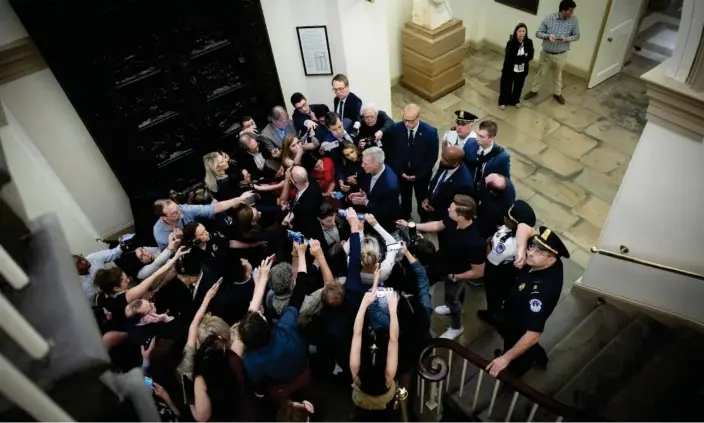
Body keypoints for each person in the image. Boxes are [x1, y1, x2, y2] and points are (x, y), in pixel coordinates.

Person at [396, 195, 486, 340]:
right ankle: (449, 305)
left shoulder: (475, 242)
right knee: (449, 294)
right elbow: (439, 225)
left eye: (451, 210)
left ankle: (457, 326)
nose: (447, 211)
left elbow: (478, 271)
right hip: (445, 264)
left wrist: (456, 277)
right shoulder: (452, 219)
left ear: (462, 217)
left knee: (454, 297)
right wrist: (412, 225)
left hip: (457, 273)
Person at [486, 226, 569, 378]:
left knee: (518, 349)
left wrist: (506, 358)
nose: (530, 252)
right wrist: (521, 251)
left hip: (521, 325)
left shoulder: (541, 292)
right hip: (513, 310)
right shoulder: (543, 261)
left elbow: (533, 334)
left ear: (551, 259)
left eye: (539, 252)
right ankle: (538, 355)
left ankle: (516, 370)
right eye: (532, 247)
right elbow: (524, 227)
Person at [238, 251, 310, 387]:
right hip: (303, 367)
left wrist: (258, 283)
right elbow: (300, 291)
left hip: (281, 384)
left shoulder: (250, 362)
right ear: (266, 322)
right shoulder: (286, 326)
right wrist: (301, 254)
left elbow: (259, 384)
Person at [186, 281, 255, 422]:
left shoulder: (197, 371)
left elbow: (202, 417)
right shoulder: (234, 354)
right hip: (242, 411)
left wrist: (190, 404)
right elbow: (252, 312)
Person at [478, 200, 536, 328]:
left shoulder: (509, 244)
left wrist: (489, 244)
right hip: (508, 268)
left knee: (493, 294)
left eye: (508, 217)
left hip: (498, 272)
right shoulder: (517, 231)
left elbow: (491, 258)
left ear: (515, 223)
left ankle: (492, 314)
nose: (504, 217)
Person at [349, 289, 399, 419]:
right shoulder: (388, 375)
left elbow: (357, 333)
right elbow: (394, 338)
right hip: (385, 399)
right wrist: (393, 310)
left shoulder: (356, 371)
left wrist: (363, 305)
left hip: (361, 399)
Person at [386, 103, 439, 220]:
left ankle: (424, 218)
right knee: (405, 196)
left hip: (422, 175)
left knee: (422, 197)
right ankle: (405, 214)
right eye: (404, 119)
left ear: (418, 117)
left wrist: (418, 175)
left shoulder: (430, 132)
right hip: (402, 173)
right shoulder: (395, 129)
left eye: (410, 121)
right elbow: (392, 152)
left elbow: (432, 157)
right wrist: (400, 172)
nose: (406, 123)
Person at [523, 0, 580, 105]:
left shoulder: (573, 20)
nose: (572, 13)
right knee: (541, 73)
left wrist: (566, 39)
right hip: (546, 53)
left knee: (558, 75)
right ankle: (533, 91)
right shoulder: (549, 18)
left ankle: (557, 94)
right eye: (570, 11)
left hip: (561, 53)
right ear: (563, 10)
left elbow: (577, 36)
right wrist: (548, 36)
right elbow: (538, 33)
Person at [152, 193, 253, 250]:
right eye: (174, 213)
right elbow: (169, 254)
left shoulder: (183, 209)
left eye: (178, 208)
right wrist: (178, 242)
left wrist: (237, 199)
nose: (179, 212)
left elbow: (212, 208)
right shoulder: (160, 233)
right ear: (164, 217)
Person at [350, 147, 401, 231]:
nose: (362, 165)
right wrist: (362, 193)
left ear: (376, 165)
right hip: (369, 215)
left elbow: (387, 209)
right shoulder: (370, 170)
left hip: (382, 221)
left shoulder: (391, 185)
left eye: (365, 164)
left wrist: (366, 202)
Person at [421, 144, 473, 222]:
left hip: (444, 215)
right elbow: (436, 182)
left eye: (445, 159)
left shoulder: (464, 183)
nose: (442, 160)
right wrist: (428, 198)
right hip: (431, 203)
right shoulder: (445, 163)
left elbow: (457, 206)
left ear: (455, 163)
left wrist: (437, 210)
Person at [462, 120, 511, 194]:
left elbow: (504, 179)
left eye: (481, 136)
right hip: (467, 186)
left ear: (491, 138)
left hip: (484, 192)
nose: (477, 138)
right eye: (477, 134)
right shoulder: (470, 143)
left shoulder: (502, 157)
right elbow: (462, 164)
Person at [499, 23, 534, 109]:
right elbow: (511, 57)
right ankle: (503, 101)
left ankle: (515, 100)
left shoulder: (529, 42)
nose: (521, 33)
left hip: (522, 68)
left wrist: (522, 59)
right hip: (510, 67)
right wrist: (522, 57)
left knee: (518, 85)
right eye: (519, 31)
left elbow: (530, 55)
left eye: (523, 31)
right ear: (516, 32)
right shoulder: (511, 43)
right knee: (507, 84)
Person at [283, 166, 324, 239]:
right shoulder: (312, 180)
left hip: (307, 233)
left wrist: (286, 223)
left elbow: (301, 226)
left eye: (290, 175)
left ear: (293, 181)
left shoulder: (305, 206)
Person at [475, 173, 517, 239]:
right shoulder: (506, 183)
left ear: (492, 191)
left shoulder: (493, 209)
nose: (485, 178)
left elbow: (484, 219)